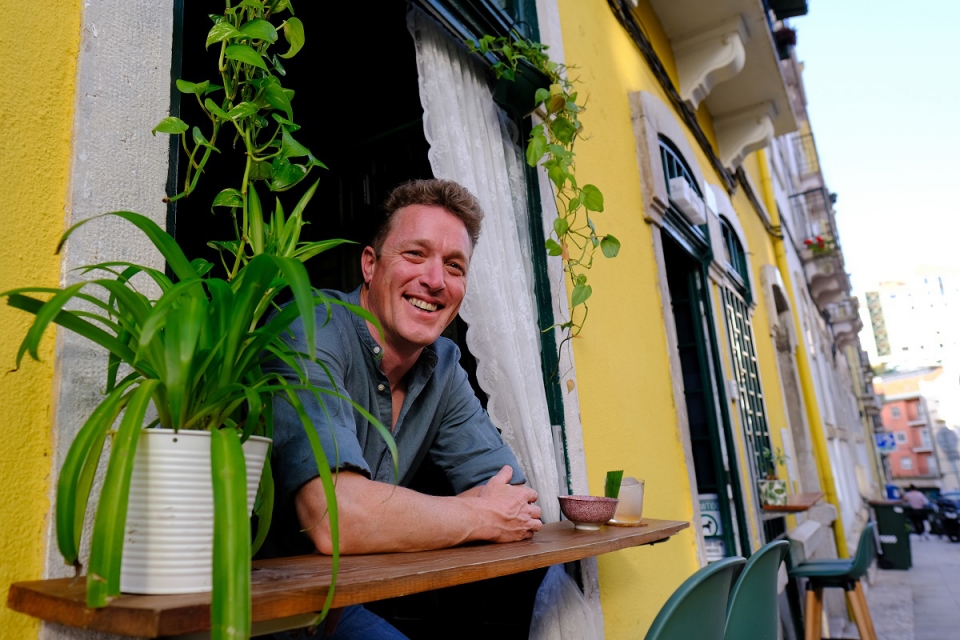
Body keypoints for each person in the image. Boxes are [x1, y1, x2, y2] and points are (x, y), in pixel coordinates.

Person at [263, 179, 543, 638]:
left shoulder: (443, 365)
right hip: (244, 609)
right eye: (415, 254)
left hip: (332, 612)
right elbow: (335, 518)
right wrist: (476, 515)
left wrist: (386, 514)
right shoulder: (310, 328)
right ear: (370, 265)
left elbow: (516, 501)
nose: (435, 280)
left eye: (454, 266)